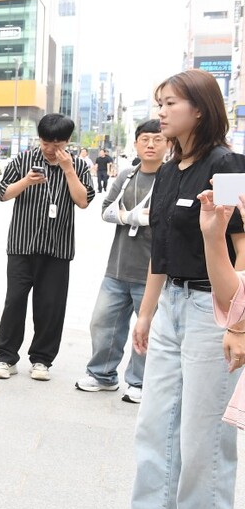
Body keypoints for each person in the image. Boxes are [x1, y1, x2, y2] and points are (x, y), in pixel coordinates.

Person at [104, 69, 245, 509]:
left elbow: (244, 245)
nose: (160, 112)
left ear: (200, 109)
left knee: (205, 431)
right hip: (171, 307)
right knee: (157, 418)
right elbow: (159, 253)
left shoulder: (230, 164)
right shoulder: (167, 168)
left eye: (170, 104)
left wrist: (239, 324)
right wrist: (146, 314)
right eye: (158, 103)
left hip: (216, 311)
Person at [0, 114, 94, 381]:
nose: (50, 149)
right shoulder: (23, 161)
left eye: (57, 143)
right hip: (21, 245)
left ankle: (42, 360)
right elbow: (3, 193)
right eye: (46, 142)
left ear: (68, 141)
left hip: (58, 247)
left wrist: (69, 170)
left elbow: (83, 201)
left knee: (51, 306)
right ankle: (5, 357)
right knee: (14, 301)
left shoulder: (79, 165)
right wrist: (26, 181)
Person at [76, 121, 164, 403]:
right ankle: (102, 375)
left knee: (146, 329)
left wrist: (142, 217)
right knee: (103, 323)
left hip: (152, 272)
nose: (151, 144)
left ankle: (139, 382)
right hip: (116, 267)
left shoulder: (171, 177)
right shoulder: (126, 176)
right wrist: (130, 217)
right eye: (145, 139)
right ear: (136, 144)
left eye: (158, 139)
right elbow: (105, 210)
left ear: (168, 144)